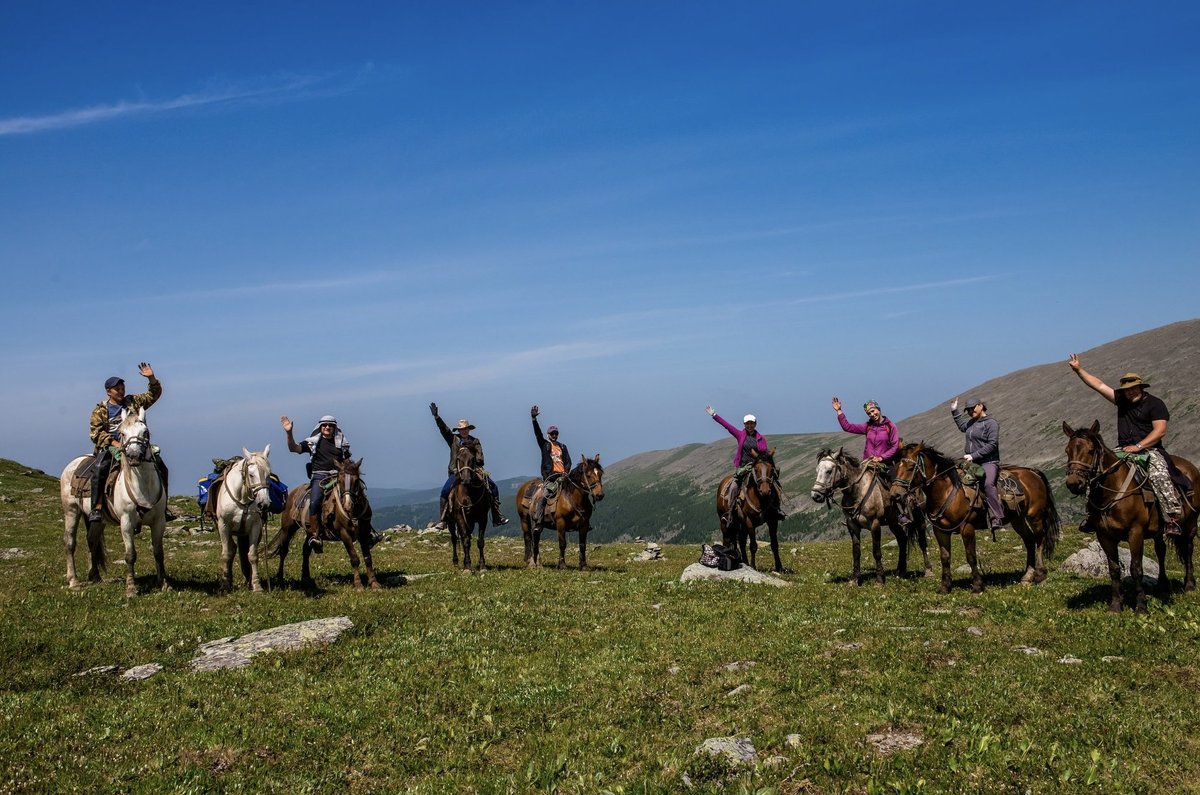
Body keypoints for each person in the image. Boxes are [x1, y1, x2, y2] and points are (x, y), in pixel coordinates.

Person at [1068, 354, 1184, 535]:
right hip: (1122, 449)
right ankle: (1092, 515)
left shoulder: (1155, 404)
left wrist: (1139, 446)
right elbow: (1098, 385)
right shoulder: (1121, 400)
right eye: (1127, 389)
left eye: (1133, 388)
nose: (1130, 392)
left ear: (1141, 387)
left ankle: (1171, 518)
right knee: (1095, 472)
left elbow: (1160, 431)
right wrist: (1079, 370)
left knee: (1160, 475)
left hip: (1149, 449)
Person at [87, 363, 174, 523]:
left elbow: (153, 395)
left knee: (161, 466)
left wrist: (151, 378)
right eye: (117, 389)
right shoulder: (100, 410)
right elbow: (96, 433)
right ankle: (97, 508)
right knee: (100, 468)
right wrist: (114, 443)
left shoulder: (133, 401)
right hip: (112, 446)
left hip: (136, 443)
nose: (121, 391)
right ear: (108, 392)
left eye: (122, 388)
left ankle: (163, 507)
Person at [281, 414, 376, 551]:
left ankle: (367, 532)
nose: (327, 427)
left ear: (334, 428)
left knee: (359, 494)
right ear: (320, 427)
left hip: (338, 476)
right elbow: (294, 448)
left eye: (330, 425)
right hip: (320, 477)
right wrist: (289, 433)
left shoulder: (341, 444)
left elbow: (347, 462)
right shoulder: (313, 442)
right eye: (324, 425)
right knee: (315, 500)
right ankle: (315, 534)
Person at [430, 402, 508, 529]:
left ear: (468, 429)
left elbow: (481, 457)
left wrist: (474, 462)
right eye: (461, 429)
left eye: (465, 429)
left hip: (474, 470)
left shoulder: (475, 441)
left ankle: (496, 516)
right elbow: (444, 430)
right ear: (459, 430)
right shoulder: (453, 440)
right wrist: (437, 417)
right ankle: (443, 519)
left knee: (493, 487)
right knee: (445, 491)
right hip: (457, 472)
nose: (464, 431)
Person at [831, 396, 909, 523]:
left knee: (895, 486)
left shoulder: (890, 426)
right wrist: (839, 411)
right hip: (867, 463)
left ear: (878, 409)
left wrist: (881, 457)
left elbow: (894, 446)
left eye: (873, 411)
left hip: (885, 463)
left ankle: (901, 514)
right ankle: (853, 513)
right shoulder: (868, 427)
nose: (872, 414)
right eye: (869, 413)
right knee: (853, 485)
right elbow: (848, 427)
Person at [705, 405, 785, 523]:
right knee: (733, 486)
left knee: (773, 483)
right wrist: (714, 415)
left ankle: (776, 509)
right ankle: (730, 512)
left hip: (757, 466)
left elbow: (764, 454)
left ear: (755, 424)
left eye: (751, 423)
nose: (749, 426)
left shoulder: (761, 438)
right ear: (744, 425)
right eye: (747, 424)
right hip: (744, 466)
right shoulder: (740, 435)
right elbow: (727, 426)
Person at [950, 396, 1003, 535]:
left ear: (980, 406)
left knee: (988, 485)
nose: (970, 412)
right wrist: (954, 411)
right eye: (967, 410)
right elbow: (962, 426)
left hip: (989, 462)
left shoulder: (991, 423)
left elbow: (992, 445)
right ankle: (960, 518)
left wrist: (974, 455)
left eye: (972, 408)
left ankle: (996, 516)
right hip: (972, 463)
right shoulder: (971, 423)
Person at [530, 405, 571, 527]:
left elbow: (568, 461)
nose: (554, 435)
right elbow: (537, 434)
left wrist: (566, 471)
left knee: (576, 492)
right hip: (550, 477)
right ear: (548, 435)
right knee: (544, 495)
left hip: (563, 477)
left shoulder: (563, 447)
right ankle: (538, 520)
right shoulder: (545, 445)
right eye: (552, 433)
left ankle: (582, 519)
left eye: (556, 433)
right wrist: (533, 419)